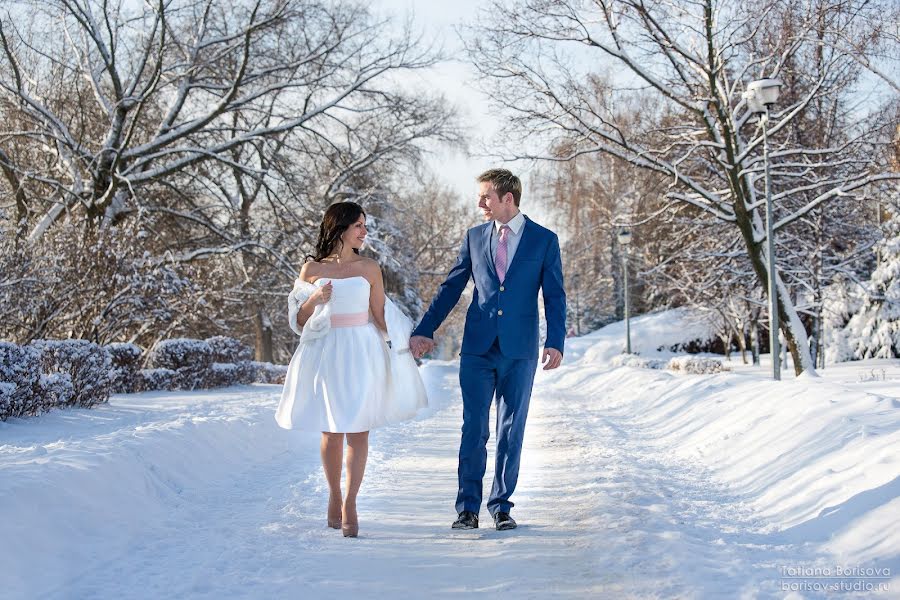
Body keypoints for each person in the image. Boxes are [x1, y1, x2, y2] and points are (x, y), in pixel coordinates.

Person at [410, 168, 566, 531]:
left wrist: (555, 340)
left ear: (507, 198)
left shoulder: (544, 240)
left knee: (512, 429)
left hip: (519, 351)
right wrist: (425, 328)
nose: (480, 203)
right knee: (474, 428)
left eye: (486, 197)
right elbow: (451, 287)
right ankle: (467, 508)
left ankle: (501, 506)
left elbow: (555, 295)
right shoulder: (474, 237)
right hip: (478, 348)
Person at [276, 202, 427, 538]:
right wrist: (314, 299)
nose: (364, 231)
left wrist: (407, 343)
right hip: (326, 351)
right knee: (331, 430)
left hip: (362, 352)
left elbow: (380, 315)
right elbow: (298, 321)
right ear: (340, 226)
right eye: (358, 225)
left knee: (359, 429)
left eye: (365, 225)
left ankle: (351, 502)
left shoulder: (370, 267)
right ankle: (333, 494)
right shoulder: (311, 268)